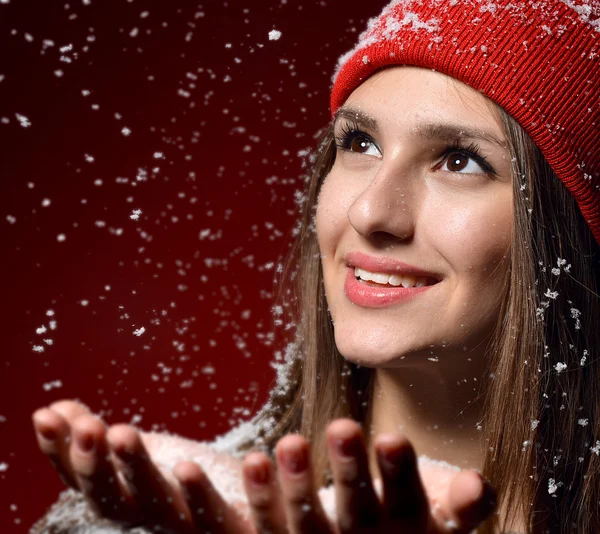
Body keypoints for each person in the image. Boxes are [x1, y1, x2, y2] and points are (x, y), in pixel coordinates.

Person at [30, 0, 600, 532]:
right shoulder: (151, 511)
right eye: (360, 144)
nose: (370, 210)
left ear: (568, 231)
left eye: (460, 160)